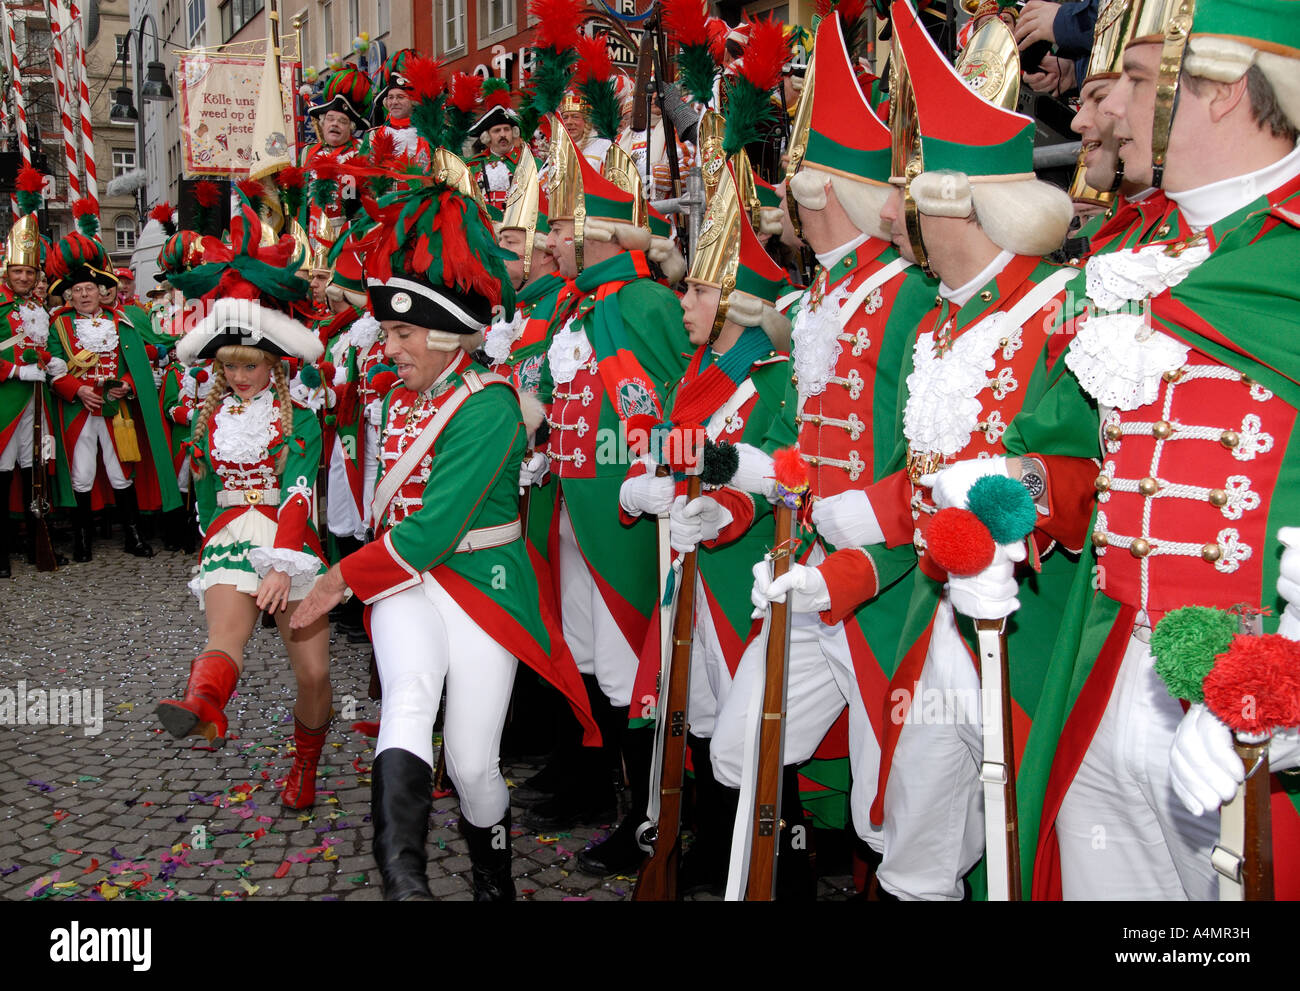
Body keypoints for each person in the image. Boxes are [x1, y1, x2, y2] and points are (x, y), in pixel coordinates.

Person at [972, 0, 1300, 899]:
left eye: (1147, 82)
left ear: (1226, 92)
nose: (1109, 108)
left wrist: (1278, 693)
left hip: (1245, 704)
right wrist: (1014, 496)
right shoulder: (1147, 257)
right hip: (1112, 657)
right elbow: (1090, 455)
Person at [817, 2, 1095, 900]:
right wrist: (874, 517)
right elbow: (930, 477)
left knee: (1026, 836)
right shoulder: (944, 320)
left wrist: (995, 498)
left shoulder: (1060, 309)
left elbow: (1082, 474)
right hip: (940, 609)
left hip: (1032, 617)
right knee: (918, 832)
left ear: (956, 207)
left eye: (918, 196)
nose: (902, 218)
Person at [614, 157, 793, 889]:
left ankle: (753, 865)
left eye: (698, 288)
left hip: (739, 580)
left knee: (747, 740)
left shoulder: (771, 378)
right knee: (703, 724)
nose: (683, 297)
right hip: (695, 572)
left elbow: (781, 474)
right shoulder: (699, 374)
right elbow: (677, 449)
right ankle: (705, 855)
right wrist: (646, 484)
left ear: (734, 306)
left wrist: (716, 509)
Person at [516, 120, 689, 835]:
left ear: (602, 235)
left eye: (561, 229)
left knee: (629, 669)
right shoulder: (580, 306)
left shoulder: (643, 301)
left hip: (624, 513)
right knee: (588, 655)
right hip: (575, 506)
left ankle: (647, 816)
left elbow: (680, 393)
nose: (550, 242)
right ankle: (598, 786)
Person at [153, 196, 334, 813]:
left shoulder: (301, 417)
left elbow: (301, 491)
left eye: (251, 365)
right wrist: (211, 538)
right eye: (229, 367)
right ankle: (203, 704)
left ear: (273, 363)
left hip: (290, 541)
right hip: (233, 534)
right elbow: (204, 491)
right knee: (225, 636)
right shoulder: (209, 420)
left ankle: (304, 765)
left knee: (310, 674)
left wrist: (285, 563)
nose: (240, 378)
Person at [45, 229, 180, 561]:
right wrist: (77, 391)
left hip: (115, 407)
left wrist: (127, 386)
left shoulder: (119, 321)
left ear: (99, 291)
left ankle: (132, 536)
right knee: (82, 472)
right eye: (78, 290)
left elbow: (132, 363)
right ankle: (83, 539)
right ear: (70, 296)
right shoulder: (59, 326)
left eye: (90, 288)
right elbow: (54, 367)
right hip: (79, 410)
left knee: (121, 470)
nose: (85, 295)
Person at [0, 175, 59, 575]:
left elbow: (47, 346)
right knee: (3, 473)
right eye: (17, 271)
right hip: (7, 398)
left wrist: (53, 362)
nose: (23, 278)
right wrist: (16, 369)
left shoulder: (40, 308)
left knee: (32, 469)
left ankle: (34, 542)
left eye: (29, 272)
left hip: (37, 400)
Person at [468, 79, 525, 210]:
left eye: (506, 129)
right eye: (497, 131)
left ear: (514, 132)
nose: (503, 135)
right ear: (487, 137)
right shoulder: (474, 166)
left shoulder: (528, 162)